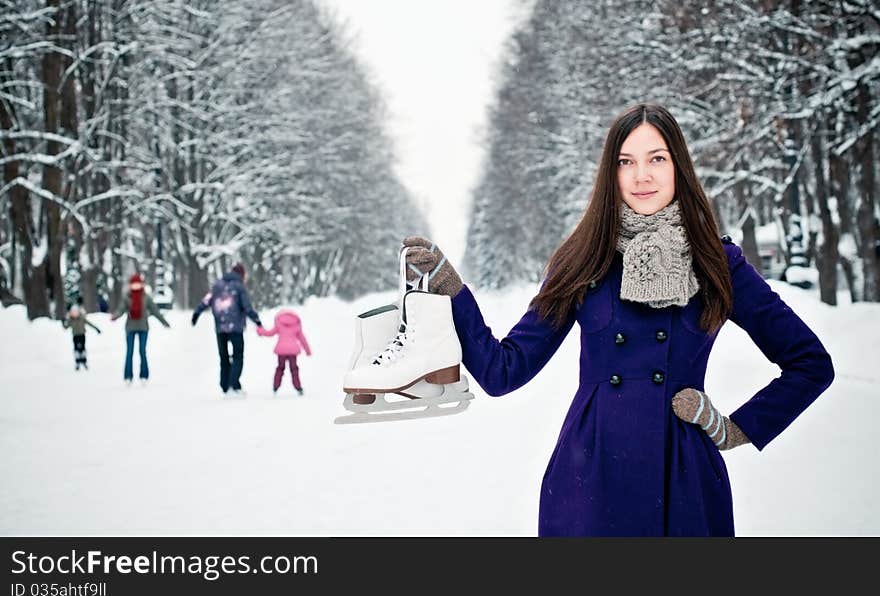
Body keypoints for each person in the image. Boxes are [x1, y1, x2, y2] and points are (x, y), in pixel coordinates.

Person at [402, 103, 835, 537]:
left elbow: (810, 364)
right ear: (611, 173)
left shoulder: (718, 264)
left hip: (683, 481)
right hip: (589, 481)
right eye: (626, 162)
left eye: (656, 159)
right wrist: (452, 290)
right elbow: (503, 370)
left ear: (678, 166)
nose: (641, 175)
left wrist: (734, 428)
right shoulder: (582, 260)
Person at [191, 262, 262, 396]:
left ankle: (224, 385)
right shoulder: (239, 287)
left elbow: (206, 301)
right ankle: (233, 385)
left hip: (220, 328)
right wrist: (256, 320)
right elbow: (247, 307)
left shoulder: (217, 286)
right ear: (241, 274)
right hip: (236, 328)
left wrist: (196, 314)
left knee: (223, 357)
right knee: (238, 356)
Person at [110, 272, 170, 384]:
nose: (136, 286)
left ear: (141, 284)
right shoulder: (127, 297)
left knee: (142, 351)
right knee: (129, 352)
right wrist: (115, 316)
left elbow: (155, 311)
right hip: (130, 328)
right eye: (134, 284)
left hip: (143, 327)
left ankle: (144, 375)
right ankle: (128, 376)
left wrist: (164, 322)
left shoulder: (146, 297)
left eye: (138, 284)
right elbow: (121, 309)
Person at [256, 309, 312, 394]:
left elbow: (269, 333)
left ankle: (276, 386)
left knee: (280, 368)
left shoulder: (279, 324)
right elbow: (302, 339)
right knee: (294, 369)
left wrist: (260, 331)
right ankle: (298, 387)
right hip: (293, 351)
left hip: (281, 351)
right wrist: (308, 350)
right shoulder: (296, 325)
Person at [62, 298, 101, 370]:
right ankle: (77, 362)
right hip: (75, 336)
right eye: (73, 312)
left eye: (76, 312)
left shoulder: (82, 318)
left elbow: (90, 324)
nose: (75, 314)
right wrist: (63, 322)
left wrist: (97, 329)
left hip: (82, 335)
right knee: (76, 349)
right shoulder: (71, 320)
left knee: (82, 348)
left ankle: (84, 361)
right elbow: (66, 327)